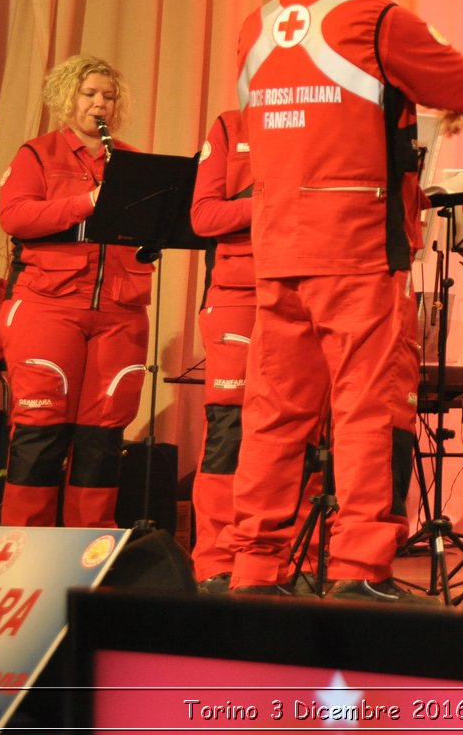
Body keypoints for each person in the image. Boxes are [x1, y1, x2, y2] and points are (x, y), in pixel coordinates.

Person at [230, 0, 463, 602]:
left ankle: (255, 565)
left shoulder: (255, 27)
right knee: (366, 410)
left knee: (274, 411)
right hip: (354, 245)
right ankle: (355, 566)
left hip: (277, 242)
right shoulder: (375, 17)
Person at [0, 55, 151, 527]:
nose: (99, 103)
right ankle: (22, 550)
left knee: (103, 435)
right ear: (68, 98)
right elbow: (16, 216)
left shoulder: (129, 159)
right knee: (41, 429)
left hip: (120, 307)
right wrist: (85, 202)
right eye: (89, 94)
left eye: (108, 95)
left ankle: (89, 550)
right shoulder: (38, 153)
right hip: (51, 304)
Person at [187, 109, 255, 589]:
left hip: (308, 288)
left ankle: (286, 555)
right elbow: (204, 216)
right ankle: (216, 558)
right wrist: (268, 203)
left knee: (303, 432)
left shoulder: (326, 119)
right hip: (238, 295)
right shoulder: (231, 126)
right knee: (229, 430)